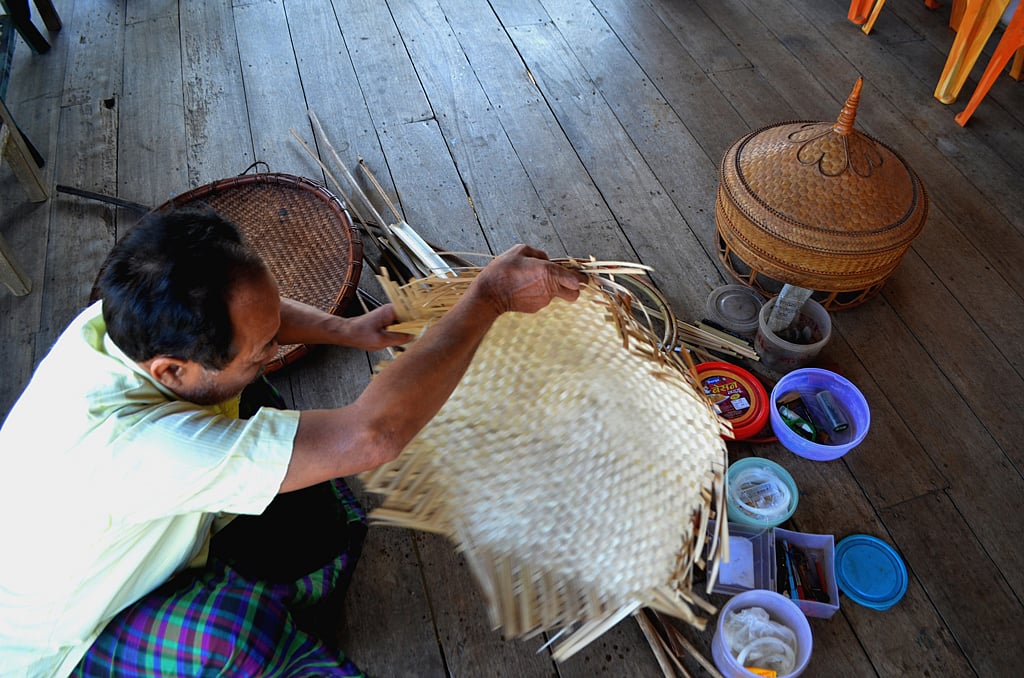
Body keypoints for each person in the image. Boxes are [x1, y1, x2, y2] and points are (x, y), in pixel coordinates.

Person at [0, 208, 584, 677]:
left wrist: (346, 329)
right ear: (170, 371)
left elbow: (260, 316)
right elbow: (372, 435)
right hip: (68, 636)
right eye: (264, 350)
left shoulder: (113, 324)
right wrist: (490, 298)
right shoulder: (140, 451)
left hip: (99, 526)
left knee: (252, 398)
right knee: (229, 634)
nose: (275, 347)